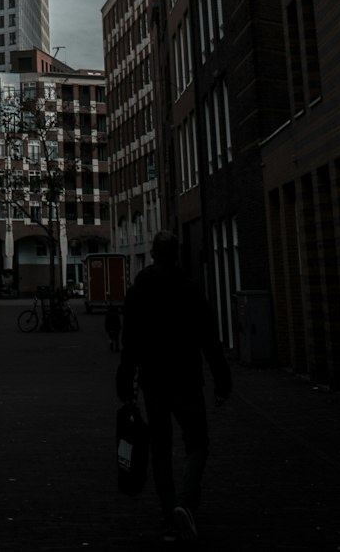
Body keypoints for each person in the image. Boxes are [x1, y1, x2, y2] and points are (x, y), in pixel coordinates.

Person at [116, 232, 231, 544]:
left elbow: (130, 342)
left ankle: (170, 518)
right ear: (176, 255)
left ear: (153, 254)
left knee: (161, 449)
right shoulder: (189, 289)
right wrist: (222, 379)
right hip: (186, 379)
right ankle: (185, 501)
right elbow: (209, 338)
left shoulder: (139, 291)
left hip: (154, 381)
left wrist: (125, 379)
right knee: (197, 441)